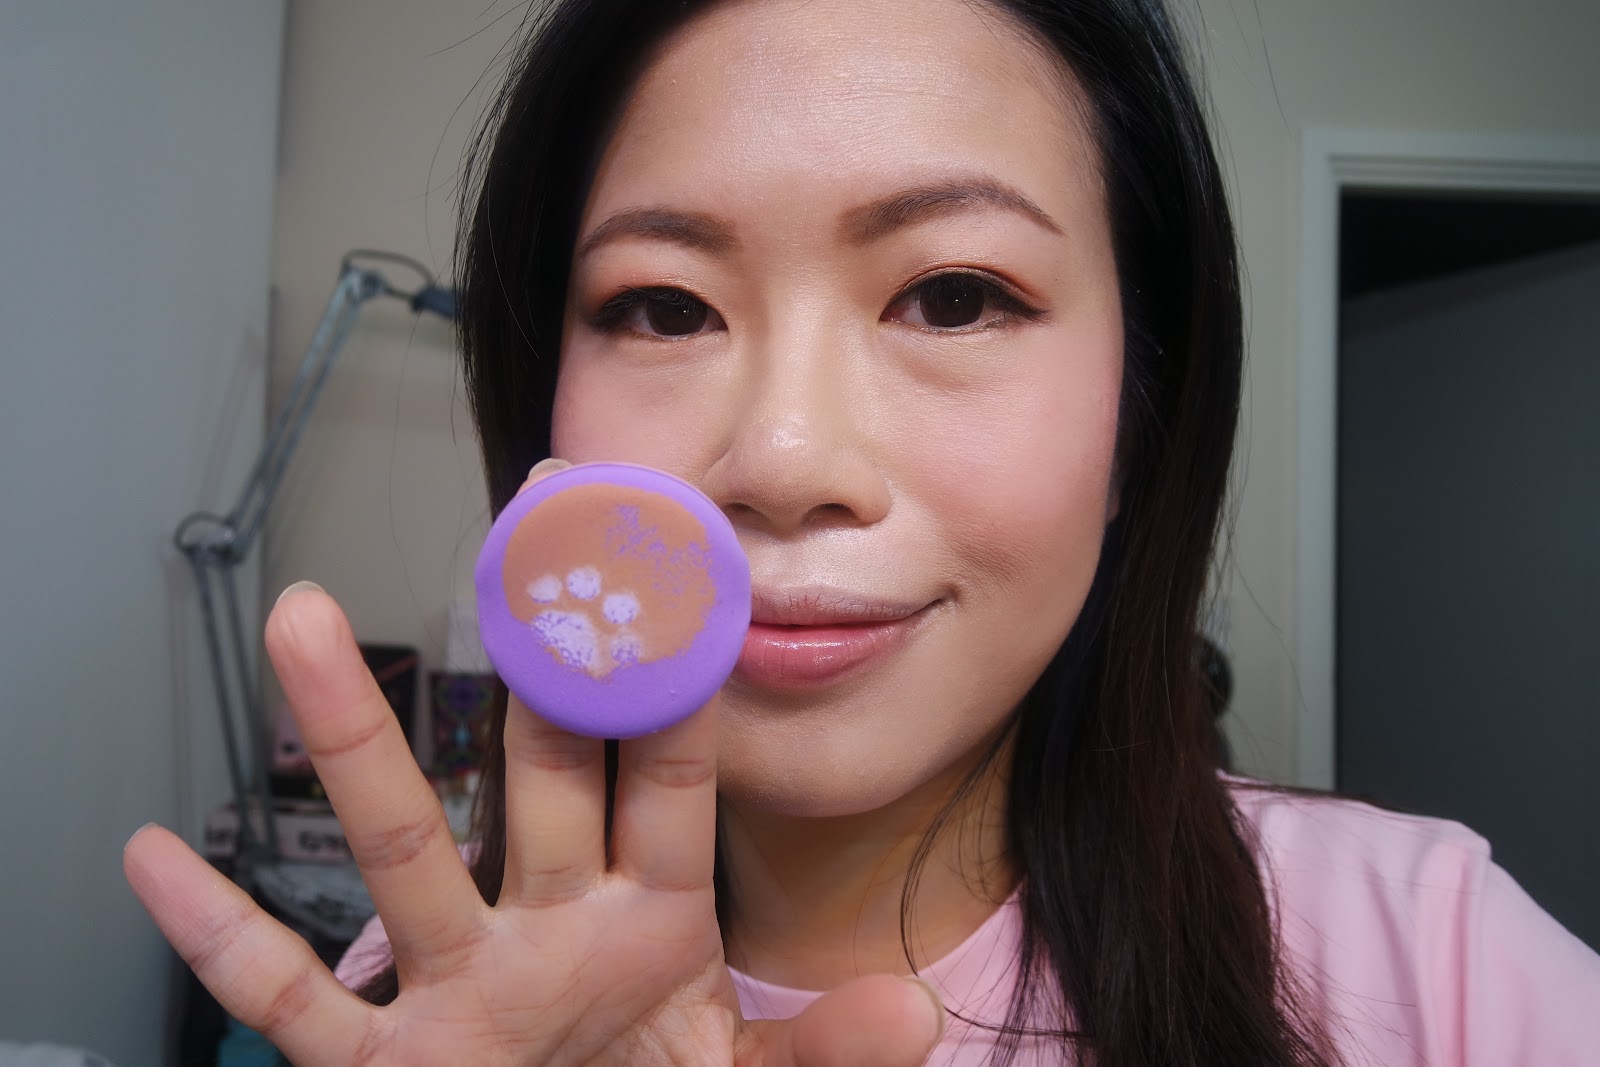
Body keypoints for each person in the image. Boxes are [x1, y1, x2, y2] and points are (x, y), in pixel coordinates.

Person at [124, 0, 1600, 1064]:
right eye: (664, 307)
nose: (783, 462)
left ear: (1137, 413)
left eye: (953, 297)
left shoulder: (1441, 968)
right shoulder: (433, 1000)